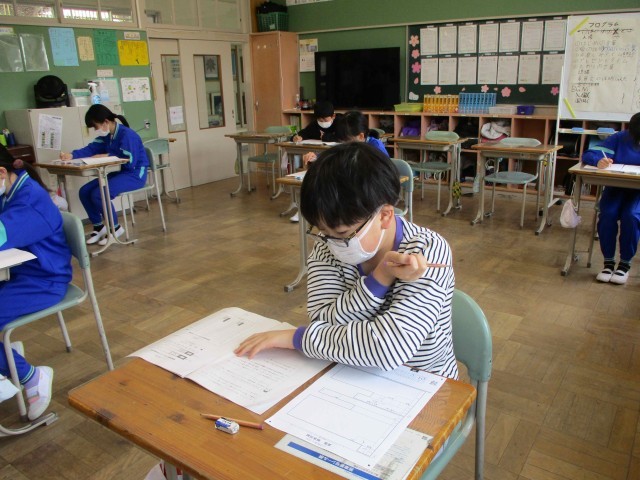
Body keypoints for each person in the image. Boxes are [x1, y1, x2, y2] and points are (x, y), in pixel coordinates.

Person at [236, 142, 458, 379]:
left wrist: (297, 338)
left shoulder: (427, 250)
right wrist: (379, 279)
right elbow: (322, 320)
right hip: (350, 373)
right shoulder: (327, 243)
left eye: (342, 233)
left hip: (422, 381)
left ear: (384, 215)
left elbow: (388, 349)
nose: (331, 241)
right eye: (323, 230)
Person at [0, 144, 72, 420]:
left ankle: (31, 376)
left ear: (2, 172)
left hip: (44, 280)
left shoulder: (29, 200)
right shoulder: (10, 191)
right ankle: (8, 357)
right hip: (18, 274)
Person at [60, 104, 148, 245]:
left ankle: (115, 228)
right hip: (122, 173)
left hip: (135, 175)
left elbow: (130, 161)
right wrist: (71, 155)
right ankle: (99, 227)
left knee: (99, 194)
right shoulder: (109, 136)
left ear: (106, 121)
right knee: (84, 191)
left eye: (96, 126)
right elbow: (92, 148)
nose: (96, 130)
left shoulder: (127, 135)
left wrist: (107, 155)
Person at [582, 112, 640, 285]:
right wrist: (598, 161)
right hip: (616, 188)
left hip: (638, 192)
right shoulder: (620, 137)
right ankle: (608, 263)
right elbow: (589, 154)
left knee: (631, 215)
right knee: (608, 213)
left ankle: (624, 264)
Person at [302, 110, 389, 166]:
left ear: (361, 136)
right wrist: (315, 156)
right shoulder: (349, 144)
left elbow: (383, 175)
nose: (344, 144)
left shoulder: (376, 147)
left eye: (347, 140)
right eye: (342, 141)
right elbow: (334, 153)